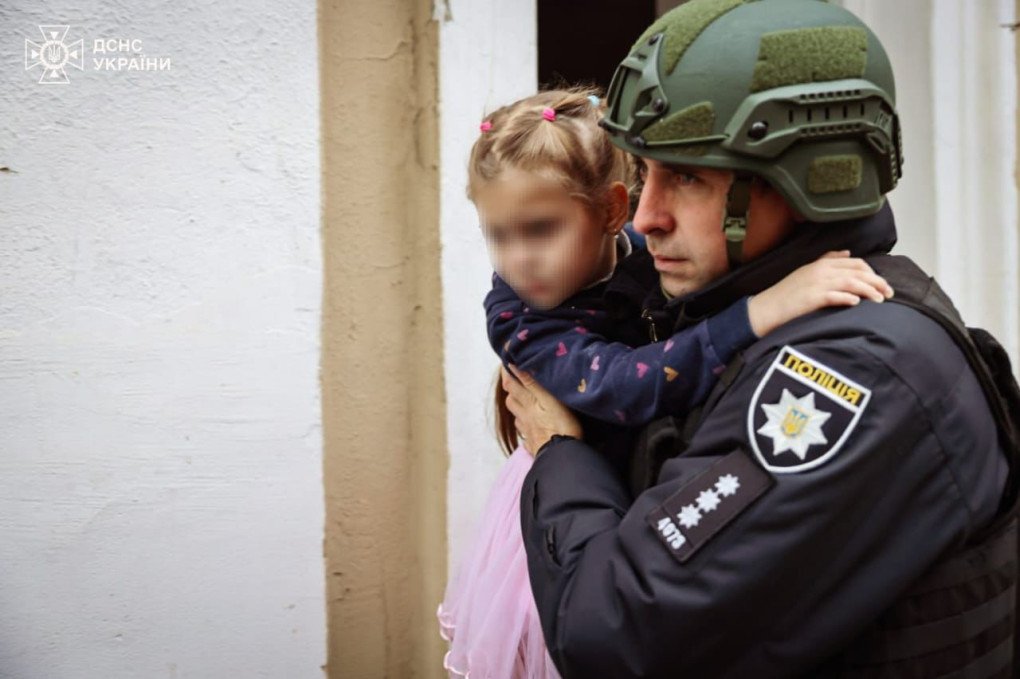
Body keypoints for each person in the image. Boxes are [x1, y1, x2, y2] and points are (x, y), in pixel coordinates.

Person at [502, 1, 1020, 677]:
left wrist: (562, 452)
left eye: (687, 176)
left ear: (801, 181)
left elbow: (610, 627)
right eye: (644, 172)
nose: (648, 216)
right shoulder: (751, 312)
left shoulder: (857, 372)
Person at [439, 85, 893, 678]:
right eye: (498, 236)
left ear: (611, 212)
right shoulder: (521, 320)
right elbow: (627, 385)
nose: (517, 260)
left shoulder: (637, 253)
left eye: (540, 229)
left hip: (627, 492)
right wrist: (765, 307)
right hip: (564, 506)